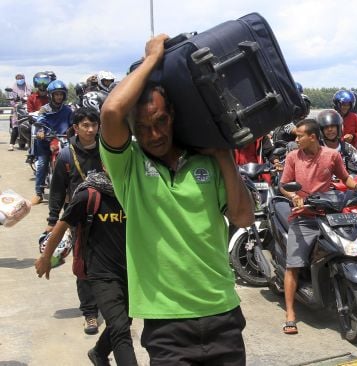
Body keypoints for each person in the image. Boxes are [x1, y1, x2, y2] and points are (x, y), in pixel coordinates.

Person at [99, 34, 254, 364]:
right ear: (132, 130)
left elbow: (243, 218)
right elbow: (112, 110)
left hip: (222, 312)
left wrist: (223, 155)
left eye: (161, 121)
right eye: (142, 127)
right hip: (166, 323)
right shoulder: (129, 168)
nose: (155, 135)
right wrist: (152, 60)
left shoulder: (208, 161)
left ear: (173, 114)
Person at [35, 171, 137, 366]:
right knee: (120, 327)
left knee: (126, 320)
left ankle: (98, 353)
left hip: (130, 270)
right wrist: (46, 257)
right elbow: (62, 226)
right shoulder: (89, 195)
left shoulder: (133, 190)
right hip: (101, 272)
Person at [279, 118, 357, 335]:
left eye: (300, 135)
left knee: (350, 248)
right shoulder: (292, 157)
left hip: (330, 214)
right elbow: (283, 185)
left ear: (312, 136)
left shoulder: (332, 155)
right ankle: (290, 313)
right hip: (304, 216)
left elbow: (345, 177)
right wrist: (294, 197)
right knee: (294, 264)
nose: (296, 139)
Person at [45, 107, 102, 335]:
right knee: (83, 263)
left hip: (109, 215)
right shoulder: (66, 156)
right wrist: (52, 220)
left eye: (94, 125)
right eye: (85, 126)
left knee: (115, 259)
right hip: (79, 218)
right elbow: (58, 189)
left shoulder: (108, 149)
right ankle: (89, 312)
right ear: (76, 128)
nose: (90, 130)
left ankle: (114, 303)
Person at [32, 79, 73, 205]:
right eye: (56, 94)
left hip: (62, 139)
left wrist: (72, 132)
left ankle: (71, 189)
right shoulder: (44, 109)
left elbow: (73, 124)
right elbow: (40, 121)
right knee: (42, 163)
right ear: (51, 95)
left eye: (61, 94)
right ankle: (39, 193)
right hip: (45, 140)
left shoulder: (68, 110)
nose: (59, 97)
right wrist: (40, 131)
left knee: (72, 161)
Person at [7, 73, 32, 151]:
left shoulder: (28, 86)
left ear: (24, 78)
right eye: (18, 78)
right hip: (17, 108)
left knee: (31, 122)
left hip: (27, 107)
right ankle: (11, 144)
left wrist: (27, 99)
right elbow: (11, 98)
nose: (20, 79)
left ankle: (31, 143)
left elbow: (31, 95)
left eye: (21, 78)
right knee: (16, 125)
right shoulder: (13, 87)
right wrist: (15, 103)